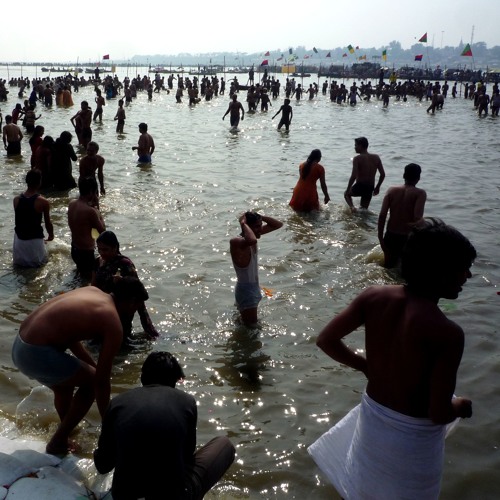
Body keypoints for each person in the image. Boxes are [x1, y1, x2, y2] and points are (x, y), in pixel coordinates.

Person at [309, 218, 476, 499]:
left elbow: (326, 339)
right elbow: (438, 413)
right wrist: (460, 406)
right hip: (411, 448)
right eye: (464, 268)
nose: (468, 276)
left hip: (371, 426)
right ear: (442, 271)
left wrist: (365, 366)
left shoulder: (373, 296)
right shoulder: (447, 333)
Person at [12, 278, 149, 455]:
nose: (136, 311)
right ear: (131, 302)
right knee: (91, 383)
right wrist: (108, 424)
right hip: (37, 353)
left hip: (20, 347)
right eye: (137, 306)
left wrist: (92, 368)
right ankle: (58, 441)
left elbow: (70, 337)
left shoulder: (92, 291)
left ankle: (67, 431)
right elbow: (100, 382)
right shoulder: (113, 323)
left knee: (65, 387)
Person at [94, 351, 235, 499]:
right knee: (224, 444)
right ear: (174, 381)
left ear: (142, 377)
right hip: (173, 495)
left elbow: (103, 465)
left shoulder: (117, 403)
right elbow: (187, 455)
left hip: (124, 495)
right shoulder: (187, 401)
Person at [91, 231, 158, 340]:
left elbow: (137, 292)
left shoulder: (125, 264)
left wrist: (148, 327)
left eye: (105, 249)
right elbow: (93, 286)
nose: (102, 253)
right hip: (102, 307)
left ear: (115, 247)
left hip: (122, 310)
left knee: (121, 340)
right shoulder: (98, 262)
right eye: (99, 249)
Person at [230, 211, 283, 326]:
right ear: (248, 227)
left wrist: (261, 217)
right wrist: (243, 224)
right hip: (246, 291)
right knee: (251, 328)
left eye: (261, 225)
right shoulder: (237, 242)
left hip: (253, 288)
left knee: (246, 325)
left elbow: (278, 225)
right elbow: (251, 240)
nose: (260, 229)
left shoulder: (252, 236)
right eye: (257, 226)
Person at [378, 163, 427, 268]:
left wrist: (381, 239)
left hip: (390, 235)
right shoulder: (420, 193)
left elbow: (382, 215)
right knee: (405, 271)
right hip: (407, 238)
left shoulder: (391, 190)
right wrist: (424, 222)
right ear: (418, 177)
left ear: (404, 175)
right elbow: (417, 218)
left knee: (388, 268)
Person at [13, 169, 54, 267]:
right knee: (42, 267)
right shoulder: (43, 202)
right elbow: (48, 223)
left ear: (26, 181)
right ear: (39, 182)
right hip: (34, 242)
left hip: (19, 242)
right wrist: (51, 235)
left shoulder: (16, 200)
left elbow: (23, 221)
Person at [68, 176, 105, 279]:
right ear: (92, 192)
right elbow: (103, 232)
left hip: (74, 248)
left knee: (80, 277)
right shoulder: (90, 211)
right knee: (87, 284)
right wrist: (97, 208)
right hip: (85, 253)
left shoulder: (72, 204)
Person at [344, 137, 385, 211]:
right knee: (364, 210)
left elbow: (353, 176)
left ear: (361, 146)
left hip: (360, 186)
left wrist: (348, 189)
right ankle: (362, 221)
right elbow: (382, 174)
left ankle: (353, 209)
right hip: (370, 187)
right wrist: (377, 187)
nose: (355, 147)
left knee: (346, 194)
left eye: (356, 145)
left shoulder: (357, 158)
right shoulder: (376, 157)